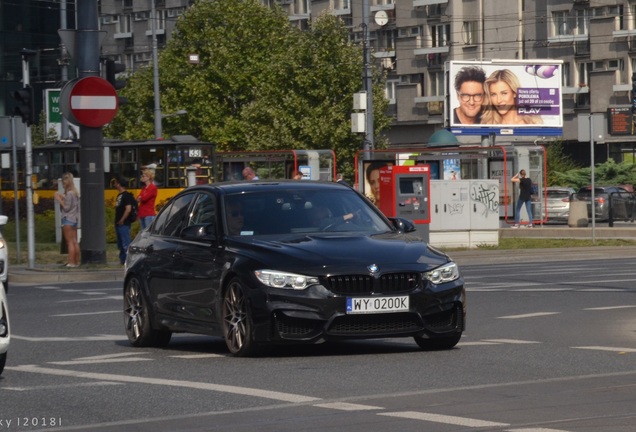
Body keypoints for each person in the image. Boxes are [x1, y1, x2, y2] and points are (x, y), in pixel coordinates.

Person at [54, 172, 80, 268]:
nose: (63, 185)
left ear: (67, 182)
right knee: (75, 241)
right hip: (74, 219)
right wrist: (63, 197)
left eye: (64, 183)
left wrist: (59, 199)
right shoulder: (75, 193)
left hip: (67, 219)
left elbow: (66, 208)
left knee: (69, 242)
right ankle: (76, 262)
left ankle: (71, 262)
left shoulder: (69, 194)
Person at [113, 176, 137, 264]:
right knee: (120, 243)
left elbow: (128, 209)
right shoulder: (120, 195)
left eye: (115, 182)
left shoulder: (126, 196)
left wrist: (122, 220)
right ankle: (123, 260)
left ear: (119, 184)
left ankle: (128, 260)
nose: (114, 184)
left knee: (126, 242)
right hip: (119, 223)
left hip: (123, 223)